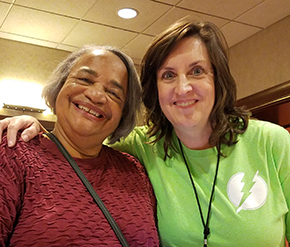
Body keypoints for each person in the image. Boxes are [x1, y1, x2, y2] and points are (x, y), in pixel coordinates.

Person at [1, 20, 290, 247]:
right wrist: (31, 124)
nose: (183, 88)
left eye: (198, 71)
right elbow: (76, 139)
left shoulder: (273, 143)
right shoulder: (142, 149)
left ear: (219, 79)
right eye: (168, 75)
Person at [0, 44, 159, 246]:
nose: (97, 96)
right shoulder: (14, 152)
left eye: (113, 92)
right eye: (84, 79)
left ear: (123, 113)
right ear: (60, 86)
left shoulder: (135, 172)